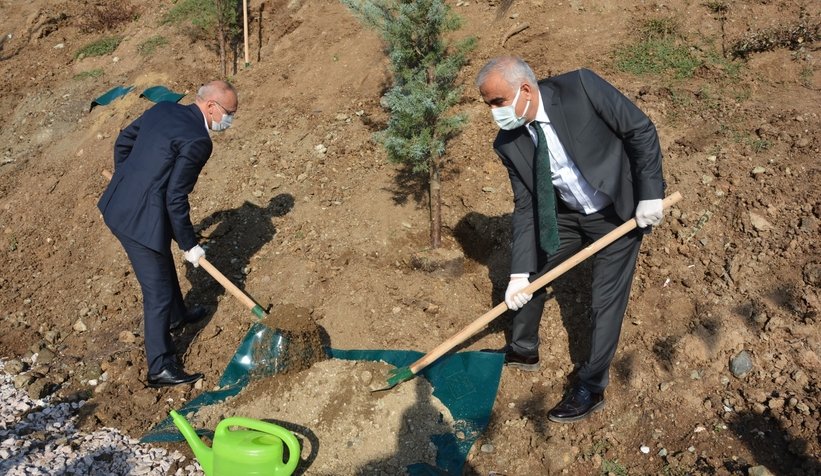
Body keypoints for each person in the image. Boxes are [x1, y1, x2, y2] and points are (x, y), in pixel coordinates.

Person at [475, 57, 664, 422]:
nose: (494, 113)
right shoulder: (508, 142)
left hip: (616, 212)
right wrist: (519, 274)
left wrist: (650, 193)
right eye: (489, 106)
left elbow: (639, 130)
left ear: (525, 90)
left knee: (605, 300)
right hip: (566, 216)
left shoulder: (581, 88)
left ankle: (591, 386)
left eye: (498, 102)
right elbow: (527, 204)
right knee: (530, 277)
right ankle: (523, 349)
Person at [97, 80, 238, 388]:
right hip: (136, 219)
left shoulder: (163, 110)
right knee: (157, 292)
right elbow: (176, 197)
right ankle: (160, 366)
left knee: (160, 257)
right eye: (229, 113)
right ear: (211, 106)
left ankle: (178, 315)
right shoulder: (199, 140)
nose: (230, 120)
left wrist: (128, 180)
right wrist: (190, 245)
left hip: (119, 203)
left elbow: (123, 142)